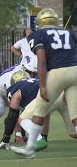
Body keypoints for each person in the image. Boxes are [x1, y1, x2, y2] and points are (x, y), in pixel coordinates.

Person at [10, 8, 77, 159]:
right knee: (75, 115)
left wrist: (42, 85)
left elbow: (42, 59)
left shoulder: (38, 34)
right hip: (75, 71)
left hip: (57, 73)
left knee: (39, 111)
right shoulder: (70, 33)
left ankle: (30, 148)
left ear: (40, 22)